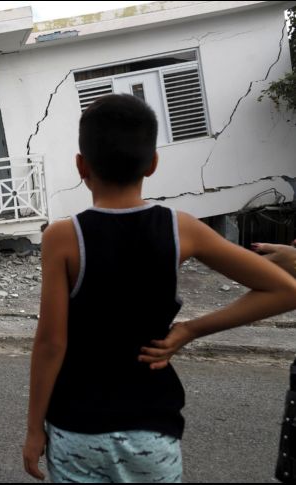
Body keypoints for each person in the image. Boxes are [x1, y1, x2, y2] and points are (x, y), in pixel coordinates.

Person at [22, 94, 296, 483]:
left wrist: (35, 430)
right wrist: (188, 330)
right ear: (153, 163)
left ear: (81, 166)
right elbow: (286, 290)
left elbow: (51, 343)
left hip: (76, 427)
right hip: (151, 428)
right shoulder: (180, 227)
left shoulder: (63, 237)